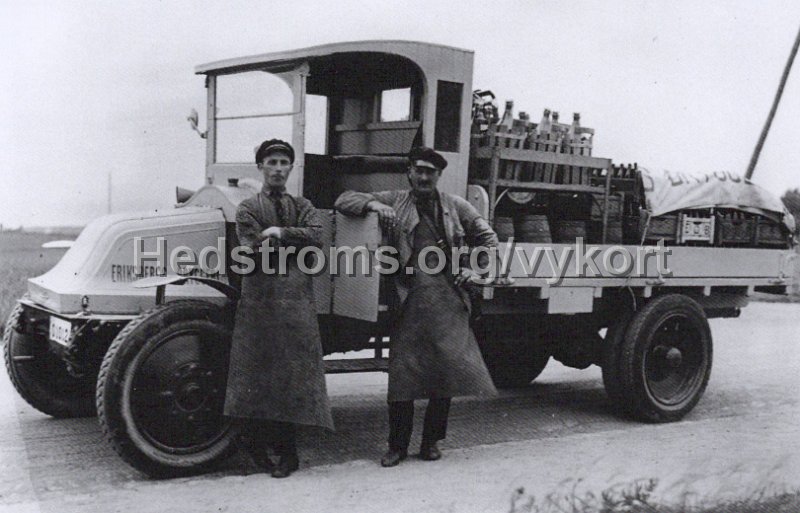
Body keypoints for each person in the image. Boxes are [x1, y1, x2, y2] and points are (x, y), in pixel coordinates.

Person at [335, 146, 498, 467]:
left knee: (445, 375)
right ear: (409, 172)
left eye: (430, 172)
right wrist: (373, 205)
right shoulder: (395, 199)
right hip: (407, 302)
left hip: (449, 301)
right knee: (403, 378)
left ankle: (431, 442)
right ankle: (396, 446)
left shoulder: (455, 206)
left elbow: (488, 238)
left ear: (439, 176)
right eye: (419, 170)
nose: (424, 176)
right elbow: (344, 200)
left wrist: (475, 270)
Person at [224, 139, 334, 478]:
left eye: (284, 162)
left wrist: (280, 232)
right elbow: (250, 246)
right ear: (260, 167)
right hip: (260, 300)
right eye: (271, 162)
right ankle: (258, 446)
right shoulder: (247, 208)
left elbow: (318, 234)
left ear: (290, 168)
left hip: (295, 303)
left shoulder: (302, 204)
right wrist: (280, 241)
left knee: (292, 376)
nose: (277, 168)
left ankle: (289, 454)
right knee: (258, 374)